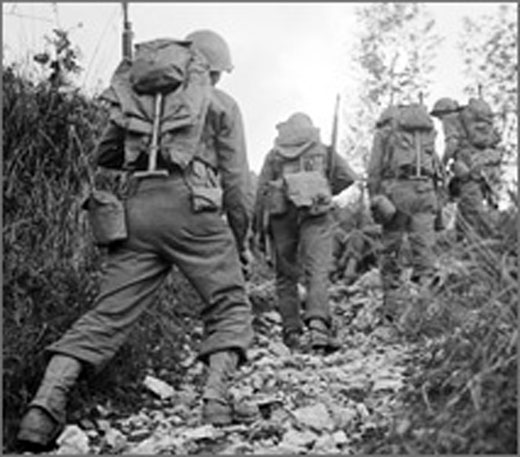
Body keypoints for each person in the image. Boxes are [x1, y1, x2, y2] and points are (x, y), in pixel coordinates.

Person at [17, 29, 256, 451]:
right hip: (195, 208)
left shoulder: (137, 98)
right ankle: (215, 402)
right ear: (214, 70)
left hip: (138, 208)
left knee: (107, 314)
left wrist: (146, 142)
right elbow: (237, 183)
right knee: (228, 303)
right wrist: (242, 238)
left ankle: (41, 409)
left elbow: (106, 154)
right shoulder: (222, 104)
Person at [253, 112, 357, 351]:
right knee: (317, 270)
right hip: (316, 213)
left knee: (285, 275)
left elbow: (261, 194)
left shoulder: (274, 154)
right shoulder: (322, 150)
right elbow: (348, 176)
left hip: (281, 217)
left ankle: (291, 331)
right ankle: (319, 327)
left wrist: (257, 228)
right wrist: (325, 188)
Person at [367, 103, 441, 329]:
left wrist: (375, 198)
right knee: (425, 253)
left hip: (397, 193)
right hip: (426, 191)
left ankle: (391, 314)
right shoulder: (427, 133)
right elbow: (437, 169)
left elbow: (374, 170)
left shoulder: (385, 134)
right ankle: (426, 313)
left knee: (391, 251)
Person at [430, 97, 501, 241]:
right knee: (470, 203)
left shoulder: (450, 119)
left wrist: (442, 165)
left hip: (469, 164)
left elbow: (452, 143)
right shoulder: (471, 123)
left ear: (442, 112)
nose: (439, 120)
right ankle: (461, 239)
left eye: (438, 116)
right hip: (487, 162)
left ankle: (490, 237)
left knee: (471, 206)